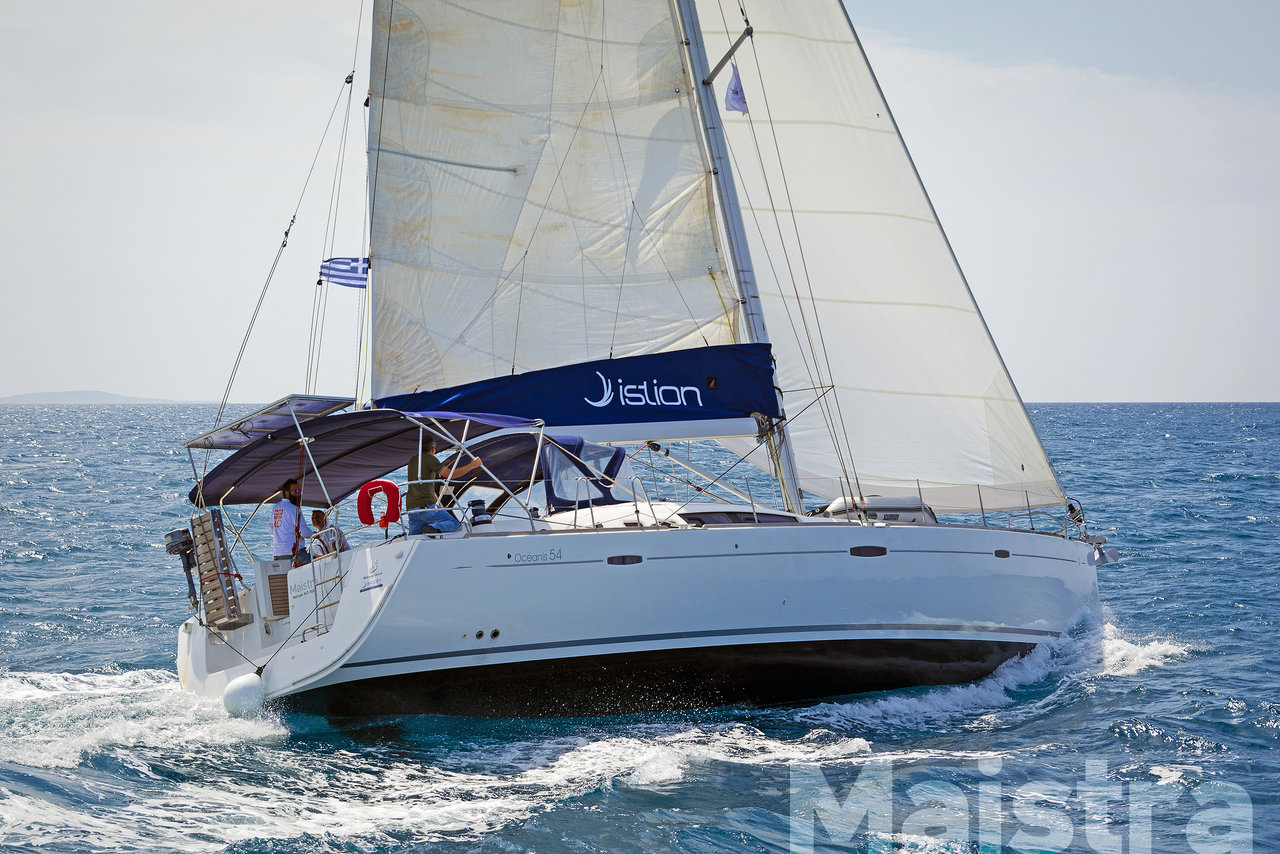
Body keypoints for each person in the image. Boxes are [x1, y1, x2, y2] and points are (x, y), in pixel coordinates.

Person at [407, 438, 483, 535]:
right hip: (425, 506)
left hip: (411, 507)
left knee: (415, 536)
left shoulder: (413, 460)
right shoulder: (429, 458)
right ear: (433, 449)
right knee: (454, 524)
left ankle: (429, 530)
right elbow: (450, 474)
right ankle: (433, 528)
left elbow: (420, 484)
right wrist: (472, 465)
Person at [271, 477, 314, 564]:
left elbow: (270, 528)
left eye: (300, 491)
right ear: (287, 493)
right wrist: (316, 535)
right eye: (296, 491)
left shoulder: (276, 507)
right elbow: (304, 532)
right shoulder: (294, 509)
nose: (299, 494)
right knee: (318, 564)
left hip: (278, 554)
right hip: (294, 553)